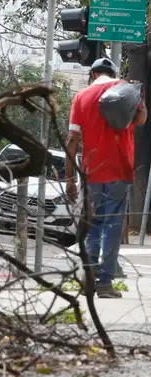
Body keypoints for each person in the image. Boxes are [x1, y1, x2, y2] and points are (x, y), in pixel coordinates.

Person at [65, 57, 147, 298]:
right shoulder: (125, 90)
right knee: (112, 226)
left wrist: (70, 178)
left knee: (92, 226)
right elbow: (141, 120)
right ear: (113, 72)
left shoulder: (81, 97)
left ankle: (89, 279)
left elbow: (72, 139)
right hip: (119, 170)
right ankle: (105, 284)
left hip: (91, 172)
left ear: (92, 74)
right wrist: (140, 95)